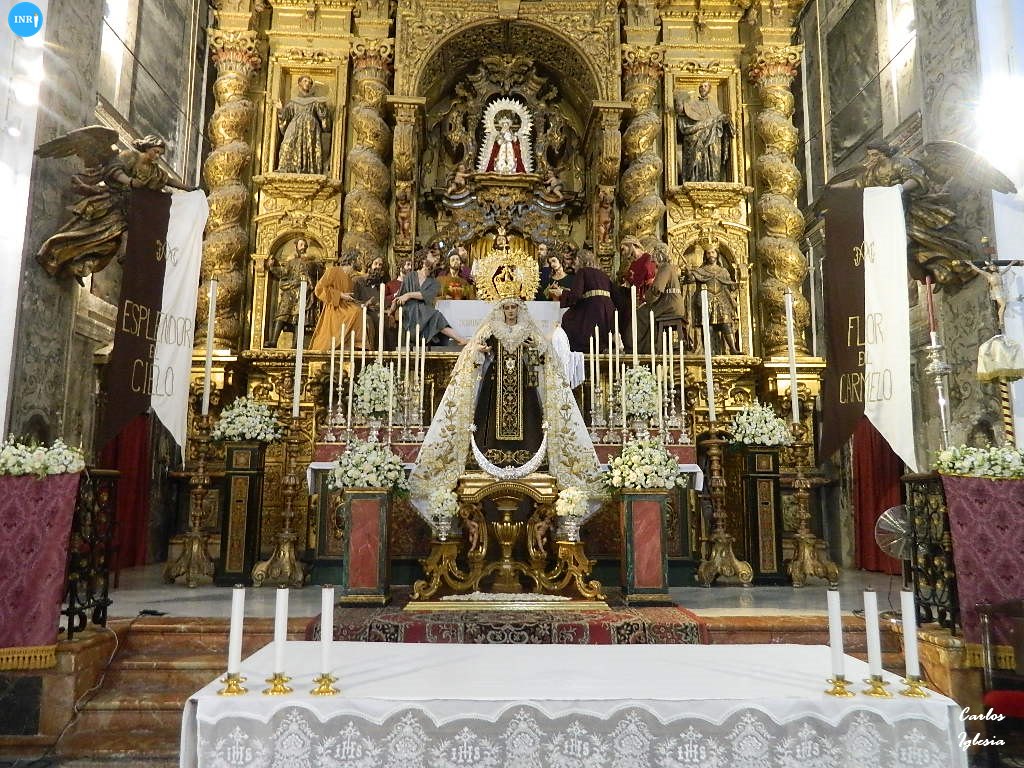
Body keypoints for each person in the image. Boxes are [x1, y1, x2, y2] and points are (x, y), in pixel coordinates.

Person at [408, 298, 602, 523]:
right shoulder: (491, 329)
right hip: (495, 386)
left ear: (520, 309)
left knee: (530, 420)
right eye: (507, 308)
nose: (510, 311)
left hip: (523, 387)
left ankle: (527, 455)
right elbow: (473, 353)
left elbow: (543, 355)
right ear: (501, 310)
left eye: (513, 308)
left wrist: (535, 349)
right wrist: (478, 350)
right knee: (487, 422)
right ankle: (489, 454)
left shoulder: (528, 329)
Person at [36, 133, 194, 284]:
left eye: (160, 154)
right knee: (89, 232)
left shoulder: (154, 170)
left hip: (129, 212)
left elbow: (169, 181)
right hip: (113, 203)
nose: (157, 156)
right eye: (156, 151)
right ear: (147, 147)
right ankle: (52, 253)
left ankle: (79, 266)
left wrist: (188, 188)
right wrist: (130, 182)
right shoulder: (131, 156)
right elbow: (113, 170)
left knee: (109, 246)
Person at [391, 251, 468, 346]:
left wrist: (409, 295)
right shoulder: (410, 276)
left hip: (424, 312)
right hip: (409, 313)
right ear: (424, 260)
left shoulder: (434, 282)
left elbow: (426, 295)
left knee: (435, 315)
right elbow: (399, 297)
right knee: (435, 315)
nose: (435, 258)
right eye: (431, 256)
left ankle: (460, 339)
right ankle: (460, 339)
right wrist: (392, 312)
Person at [265, 237, 321, 348]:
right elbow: (283, 273)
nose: (303, 247)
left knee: (299, 318)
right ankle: (273, 341)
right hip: (290, 291)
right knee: (281, 314)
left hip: (303, 291)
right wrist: (272, 267)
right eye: (301, 245)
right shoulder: (291, 262)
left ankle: (296, 344)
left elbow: (316, 274)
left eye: (305, 245)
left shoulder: (311, 262)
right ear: (296, 247)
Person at [309, 251, 367, 351]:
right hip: (334, 309)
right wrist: (340, 295)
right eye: (359, 259)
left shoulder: (350, 280)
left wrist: (361, 304)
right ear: (352, 261)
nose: (361, 262)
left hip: (345, 308)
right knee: (356, 312)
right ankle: (354, 343)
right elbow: (319, 289)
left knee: (359, 311)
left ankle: (353, 344)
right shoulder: (333, 271)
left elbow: (348, 298)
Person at [634, 244, 688, 353]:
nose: (654, 263)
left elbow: (657, 288)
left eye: (654, 260)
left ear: (659, 256)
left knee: (641, 313)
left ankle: (641, 348)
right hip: (673, 303)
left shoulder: (665, 267)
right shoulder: (669, 267)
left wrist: (646, 297)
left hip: (669, 304)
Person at [559, 249, 616, 353]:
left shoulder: (582, 271)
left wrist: (562, 293)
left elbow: (576, 295)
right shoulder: (604, 275)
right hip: (608, 310)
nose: (574, 264)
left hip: (592, 308)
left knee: (567, 318)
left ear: (581, 260)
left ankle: (576, 352)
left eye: (576, 261)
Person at [675, 81, 732, 184]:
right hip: (698, 140)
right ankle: (697, 179)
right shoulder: (694, 104)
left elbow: (718, 120)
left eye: (705, 86)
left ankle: (713, 180)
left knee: (713, 160)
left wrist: (724, 121)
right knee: (699, 160)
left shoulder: (713, 105)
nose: (703, 88)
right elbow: (689, 120)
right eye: (701, 86)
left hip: (713, 140)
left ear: (709, 89)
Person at [688, 244, 739, 355]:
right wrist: (689, 273)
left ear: (717, 254)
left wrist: (733, 287)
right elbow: (691, 279)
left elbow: (729, 284)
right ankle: (709, 350)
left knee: (726, 324)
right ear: (705, 256)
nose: (711, 255)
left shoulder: (723, 271)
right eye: (708, 253)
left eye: (713, 252)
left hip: (722, 299)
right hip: (707, 298)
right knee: (708, 325)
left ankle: (733, 348)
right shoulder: (701, 270)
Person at [276, 75, 331, 174]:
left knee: (310, 147)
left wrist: (323, 108)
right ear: (299, 83)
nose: (307, 83)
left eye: (310, 82)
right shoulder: (293, 102)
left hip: (310, 128)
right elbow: (285, 117)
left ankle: (309, 170)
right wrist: (280, 110)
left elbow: (324, 120)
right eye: (305, 81)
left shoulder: (315, 101)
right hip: (294, 127)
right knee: (286, 144)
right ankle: (286, 167)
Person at [962, 260, 1022, 330]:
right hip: (997, 293)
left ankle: (1000, 322)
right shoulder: (988, 275)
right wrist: (971, 264)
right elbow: (978, 270)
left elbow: (1006, 269)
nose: (993, 267)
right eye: (991, 266)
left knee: (1004, 306)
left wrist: (1011, 263)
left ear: (996, 267)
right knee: (1003, 305)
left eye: (994, 266)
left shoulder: (999, 274)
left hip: (1003, 292)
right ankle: (1001, 322)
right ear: (989, 268)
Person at [621, 236, 656, 302]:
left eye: (625, 246)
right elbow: (629, 283)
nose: (623, 250)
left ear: (632, 245)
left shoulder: (648, 258)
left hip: (646, 299)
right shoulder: (632, 264)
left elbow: (650, 281)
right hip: (634, 300)